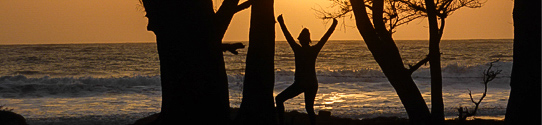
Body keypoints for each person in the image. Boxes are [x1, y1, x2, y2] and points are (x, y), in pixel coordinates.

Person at [275, 14, 337, 125]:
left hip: (300, 84)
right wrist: (333, 26)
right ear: (308, 40)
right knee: (309, 109)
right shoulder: (314, 50)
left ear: (300, 40)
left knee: (279, 99)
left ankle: (281, 122)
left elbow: (288, 36)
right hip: (312, 84)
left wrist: (281, 23)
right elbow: (325, 38)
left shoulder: (298, 49)